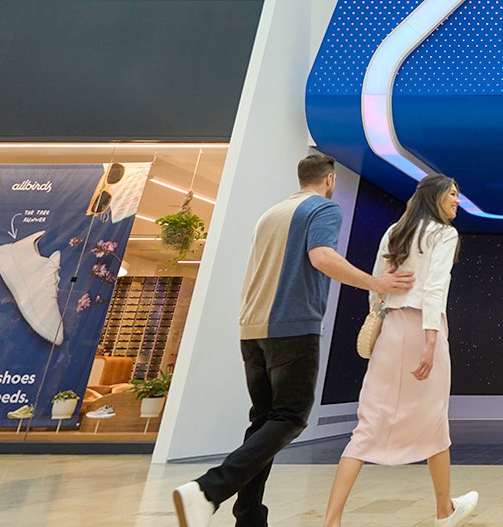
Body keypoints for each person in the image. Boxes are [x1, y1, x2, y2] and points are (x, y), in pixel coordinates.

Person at [173, 153, 415, 527]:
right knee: (291, 417)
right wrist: (376, 283)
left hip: (252, 330)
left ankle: (249, 516)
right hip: (292, 328)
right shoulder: (322, 209)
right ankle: (207, 490)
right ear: (330, 180)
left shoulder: (270, 214)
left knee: (263, 423)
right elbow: (321, 257)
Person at [322, 174, 477, 527]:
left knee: (367, 425)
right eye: (453, 194)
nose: (457, 200)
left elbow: (376, 287)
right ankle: (444, 512)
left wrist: (385, 308)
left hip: (391, 331)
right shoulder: (444, 234)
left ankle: (331, 521)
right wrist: (430, 343)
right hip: (426, 330)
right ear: (436, 197)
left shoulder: (394, 231)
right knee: (436, 420)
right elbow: (435, 291)